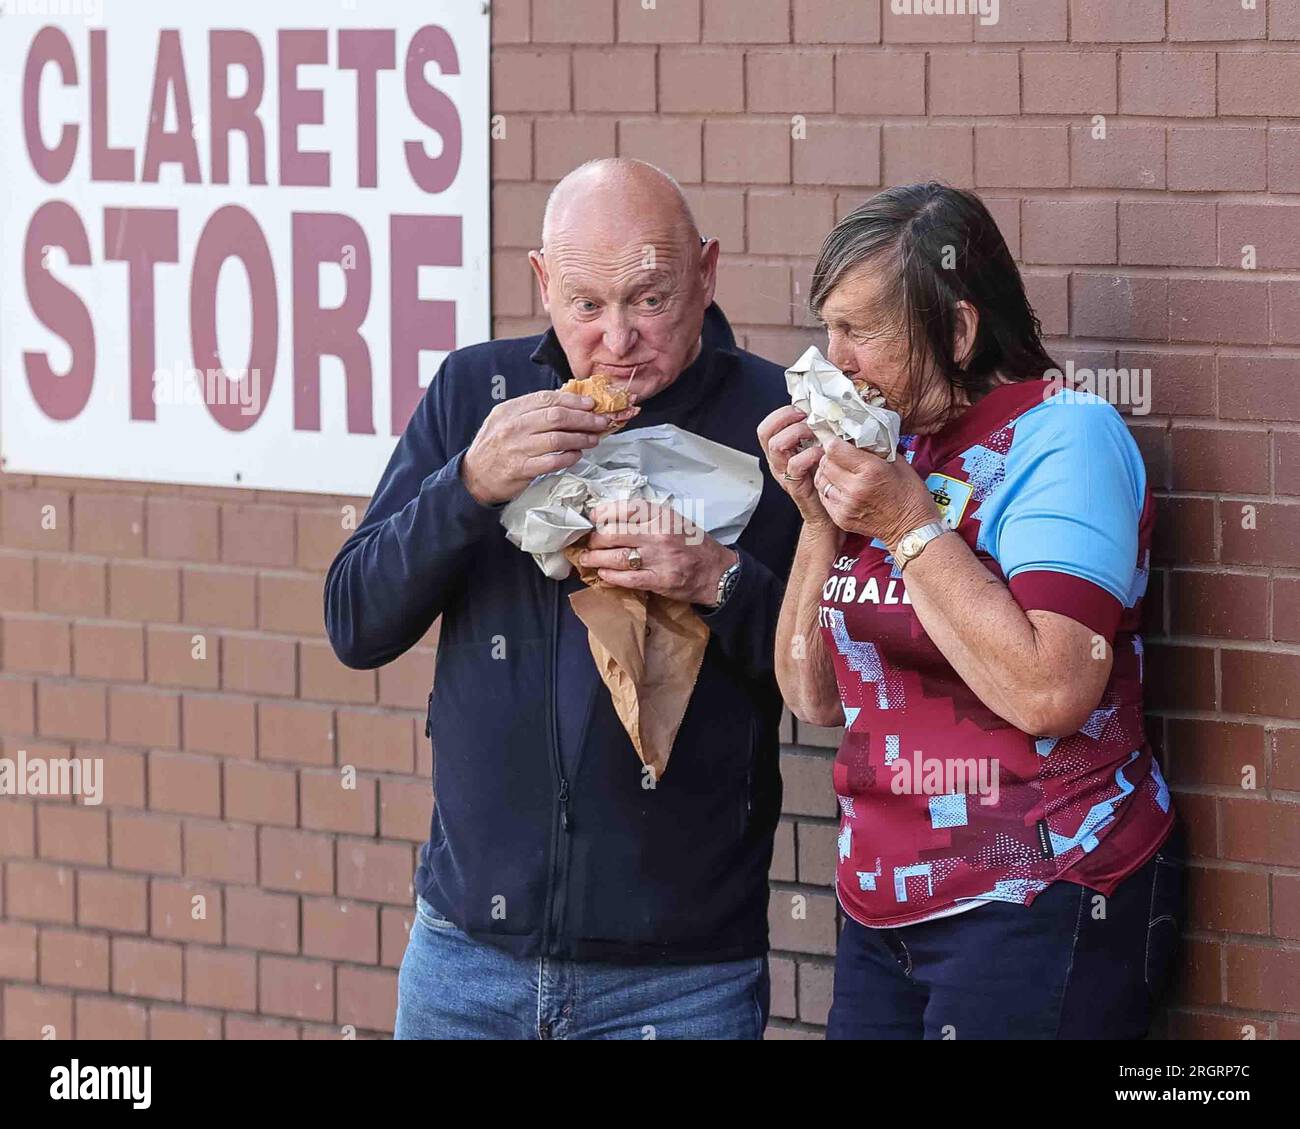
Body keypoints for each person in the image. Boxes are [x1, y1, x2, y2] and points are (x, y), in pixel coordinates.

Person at [325, 158, 800, 1040]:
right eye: (586, 305)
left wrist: (714, 577)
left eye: (650, 300)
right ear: (542, 283)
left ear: (708, 272)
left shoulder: (776, 418)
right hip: (465, 962)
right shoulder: (479, 393)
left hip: (681, 979)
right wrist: (469, 484)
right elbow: (355, 619)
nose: (616, 339)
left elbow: (834, 674)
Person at [759, 182, 1183, 1039]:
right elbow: (811, 695)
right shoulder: (887, 451)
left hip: (1041, 891)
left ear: (958, 329)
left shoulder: (1065, 436)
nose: (831, 360)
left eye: (861, 330)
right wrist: (816, 522)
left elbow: (1051, 692)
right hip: (881, 904)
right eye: (827, 327)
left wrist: (909, 523)